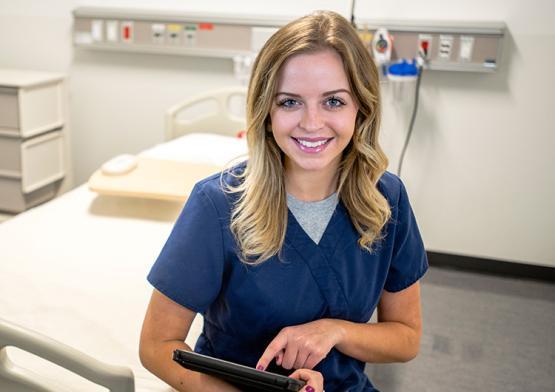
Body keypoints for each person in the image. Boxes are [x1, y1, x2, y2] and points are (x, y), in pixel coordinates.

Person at [139, 10, 428, 392]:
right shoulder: (218, 206)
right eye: (290, 102)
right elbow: (156, 346)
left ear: (361, 108)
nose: (311, 123)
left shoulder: (386, 199)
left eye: (334, 102)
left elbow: (406, 337)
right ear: (267, 111)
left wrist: (334, 332)